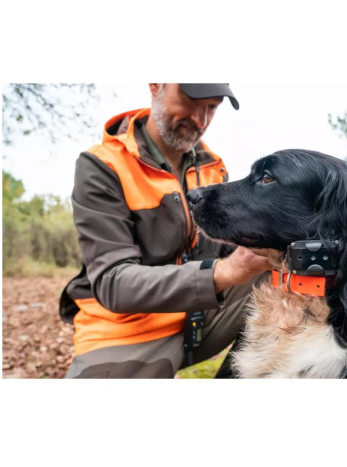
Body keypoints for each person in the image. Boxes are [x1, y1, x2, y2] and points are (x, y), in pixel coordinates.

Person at [59, 83, 272, 378]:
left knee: (280, 272)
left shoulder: (213, 168)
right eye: (190, 99)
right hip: (126, 332)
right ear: (156, 84)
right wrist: (223, 272)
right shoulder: (102, 165)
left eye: (212, 107)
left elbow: (230, 249)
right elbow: (112, 282)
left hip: (200, 318)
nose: (200, 120)